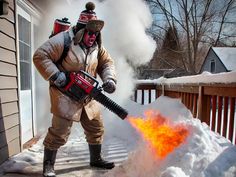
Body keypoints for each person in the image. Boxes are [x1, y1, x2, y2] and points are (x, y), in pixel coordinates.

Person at [33, 2, 117, 177]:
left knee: (96, 128)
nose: (93, 36)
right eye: (90, 32)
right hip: (65, 95)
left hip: (88, 95)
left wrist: (109, 79)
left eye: (96, 33)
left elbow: (107, 63)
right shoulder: (63, 40)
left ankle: (96, 159)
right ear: (80, 30)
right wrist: (56, 76)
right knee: (59, 132)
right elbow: (40, 56)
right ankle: (48, 165)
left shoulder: (97, 48)